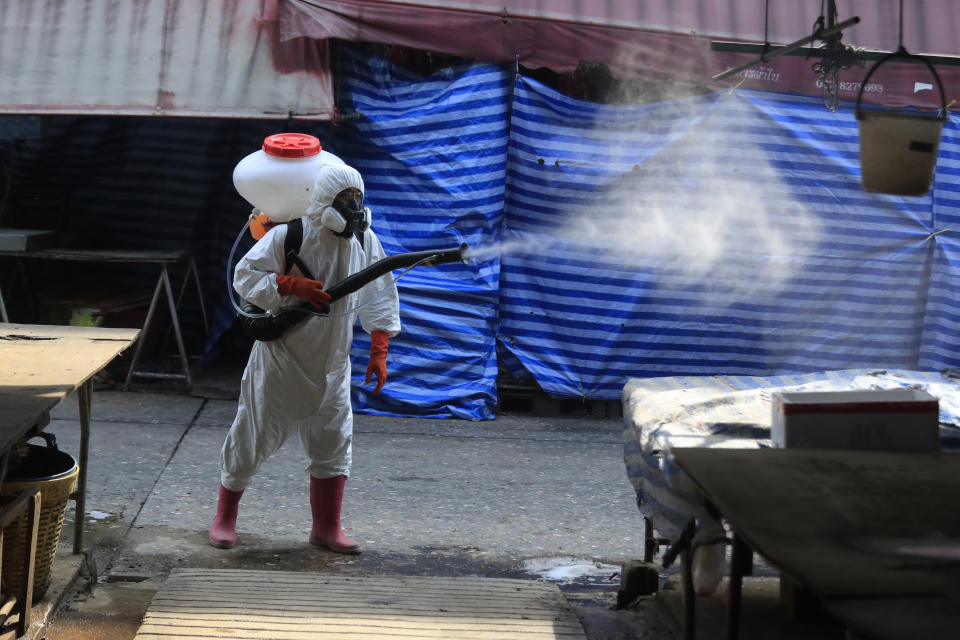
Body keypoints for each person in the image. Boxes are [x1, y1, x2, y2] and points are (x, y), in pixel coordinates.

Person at [209, 162, 400, 553]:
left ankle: (326, 528)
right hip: (283, 359)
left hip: (333, 364)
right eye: (345, 198)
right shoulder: (289, 235)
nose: (354, 206)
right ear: (326, 200)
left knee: (333, 441)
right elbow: (245, 276)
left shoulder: (364, 241)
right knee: (252, 435)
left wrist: (379, 350)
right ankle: (225, 517)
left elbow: (380, 291)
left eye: (357, 198)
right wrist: (287, 283)